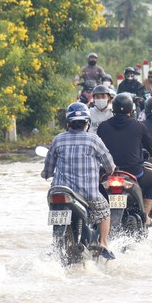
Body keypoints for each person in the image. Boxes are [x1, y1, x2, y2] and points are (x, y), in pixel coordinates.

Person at [42, 102, 116, 258]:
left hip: (59, 191)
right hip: (88, 193)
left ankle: (56, 250)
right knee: (105, 210)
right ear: (87, 123)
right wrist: (108, 171)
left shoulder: (58, 139)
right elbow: (109, 165)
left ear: (68, 123)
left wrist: (45, 174)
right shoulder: (94, 140)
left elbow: (48, 167)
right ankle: (103, 243)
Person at [96, 92, 152, 222]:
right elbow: (151, 148)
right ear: (131, 110)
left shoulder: (103, 126)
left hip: (108, 173)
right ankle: (147, 216)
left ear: (113, 109)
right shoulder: (139, 126)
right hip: (134, 173)